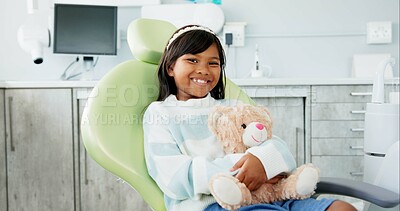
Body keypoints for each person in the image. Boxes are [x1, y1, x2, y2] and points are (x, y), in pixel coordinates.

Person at [143, 24, 357, 211]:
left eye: (213, 63)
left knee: (342, 207)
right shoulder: (160, 114)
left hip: (271, 197)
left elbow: (279, 148)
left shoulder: (234, 106)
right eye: (192, 60)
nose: (203, 70)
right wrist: (247, 170)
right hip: (212, 205)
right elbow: (174, 177)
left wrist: (264, 162)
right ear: (171, 67)